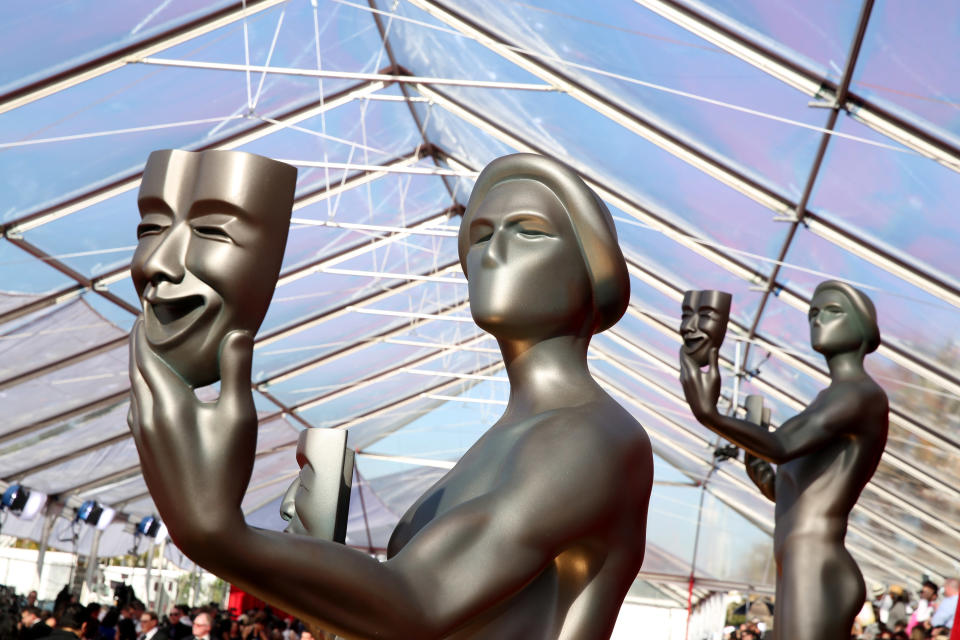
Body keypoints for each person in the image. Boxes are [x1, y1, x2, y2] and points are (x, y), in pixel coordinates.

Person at [128, 153, 653, 638]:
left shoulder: (591, 437)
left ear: (591, 272)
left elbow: (422, 600)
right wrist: (315, 556)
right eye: (481, 235)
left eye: (530, 232)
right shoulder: (516, 436)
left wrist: (214, 532)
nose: (494, 254)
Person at [680, 280, 888, 640]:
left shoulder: (860, 395)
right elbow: (789, 489)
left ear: (864, 327)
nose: (818, 319)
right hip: (798, 560)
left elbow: (781, 445)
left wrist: (711, 415)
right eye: (813, 312)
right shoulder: (828, 400)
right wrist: (758, 465)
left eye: (833, 310)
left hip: (815, 561)